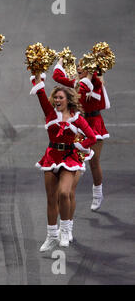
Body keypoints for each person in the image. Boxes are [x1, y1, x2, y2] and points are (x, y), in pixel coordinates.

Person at [30, 74, 96, 251]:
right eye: (56, 98)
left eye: (61, 98)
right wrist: (37, 74)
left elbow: (92, 137)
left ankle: (65, 231)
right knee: (51, 198)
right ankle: (51, 236)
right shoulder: (50, 113)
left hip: (69, 157)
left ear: (68, 100)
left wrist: (79, 145)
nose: (57, 100)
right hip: (51, 157)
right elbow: (40, 93)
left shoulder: (77, 118)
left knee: (64, 193)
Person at [53, 58, 110, 211]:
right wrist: (61, 61)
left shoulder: (95, 83)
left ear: (89, 70)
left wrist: (92, 72)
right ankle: (67, 193)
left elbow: (94, 85)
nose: (78, 68)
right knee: (75, 161)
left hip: (95, 124)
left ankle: (98, 193)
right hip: (80, 124)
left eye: (82, 67)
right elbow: (57, 77)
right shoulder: (77, 83)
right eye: (77, 66)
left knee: (94, 161)